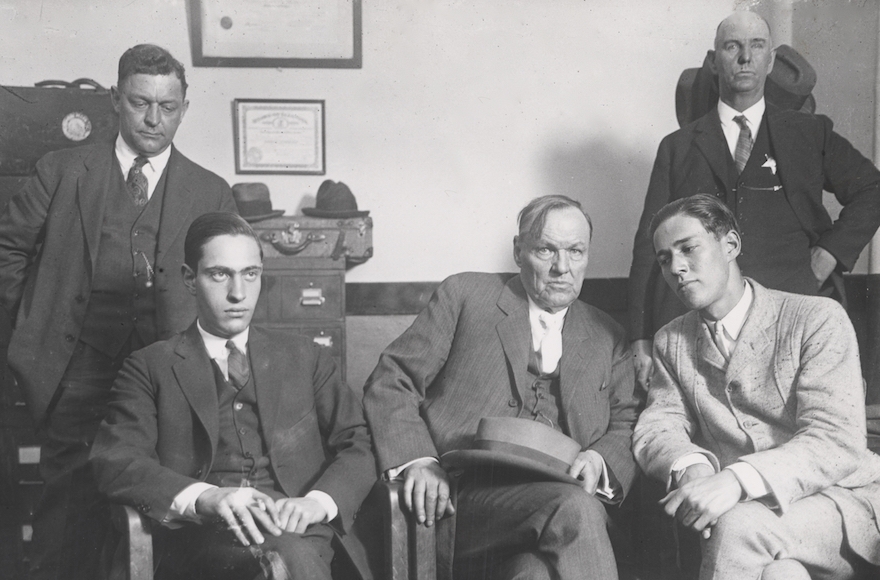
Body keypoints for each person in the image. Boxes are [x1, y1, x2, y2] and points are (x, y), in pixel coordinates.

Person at [0, 44, 236, 580]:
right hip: (75, 368)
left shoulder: (210, 190)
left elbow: (225, 278)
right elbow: (7, 251)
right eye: (140, 103)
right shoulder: (60, 171)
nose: (154, 120)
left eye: (168, 107)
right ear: (114, 101)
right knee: (69, 501)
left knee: (163, 497)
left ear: (184, 107)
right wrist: (32, 320)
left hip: (166, 373)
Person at [362, 195, 639, 580]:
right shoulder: (465, 296)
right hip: (463, 507)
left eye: (576, 252)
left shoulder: (607, 333)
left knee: (535, 574)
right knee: (574, 508)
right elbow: (392, 381)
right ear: (518, 251)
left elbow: (627, 420)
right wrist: (419, 460)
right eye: (546, 249)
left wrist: (600, 460)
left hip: (557, 519)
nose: (563, 267)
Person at [90, 212, 376, 580]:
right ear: (190, 279)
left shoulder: (305, 357)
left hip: (303, 532)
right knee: (284, 560)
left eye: (250, 274)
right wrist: (205, 497)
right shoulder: (150, 366)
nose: (238, 293)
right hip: (203, 541)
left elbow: (360, 441)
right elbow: (115, 460)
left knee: (289, 554)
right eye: (219, 274)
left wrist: (317, 503)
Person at [627, 11, 880, 391]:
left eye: (756, 46)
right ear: (714, 62)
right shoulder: (677, 148)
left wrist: (827, 255)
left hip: (789, 314)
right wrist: (640, 336)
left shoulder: (811, 133)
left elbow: (873, 189)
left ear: (771, 60)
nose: (745, 57)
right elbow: (650, 246)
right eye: (732, 46)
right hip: (696, 326)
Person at [634, 194, 880, 580]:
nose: (676, 268)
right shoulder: (671, 340)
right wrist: (691, 468)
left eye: (688, 248)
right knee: (782, 575)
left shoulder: (815, 318)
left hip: (842, 505)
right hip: (759, 522)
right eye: (665, 259)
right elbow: (658, 426)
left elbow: (837, 438)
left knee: (736, 526)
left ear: (730, 245)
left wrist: (734, 480)